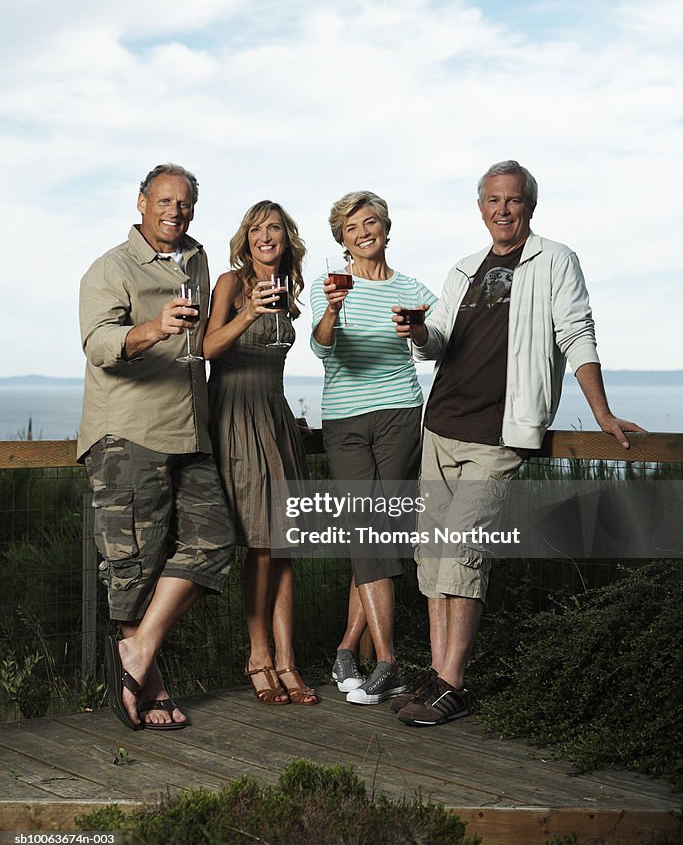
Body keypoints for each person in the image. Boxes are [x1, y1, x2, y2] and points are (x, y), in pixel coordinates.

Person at [391, 160, 644, 727]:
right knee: (432, 555)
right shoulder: (463, 268)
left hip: (500, 433)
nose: (502, 209)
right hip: (442, 424)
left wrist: (600, 411)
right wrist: (417, 332)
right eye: (493, 201)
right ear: (480, 208)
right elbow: (439, 343)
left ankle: (453, 683)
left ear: (529, 206)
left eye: (513, 200)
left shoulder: (555, 260)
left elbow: (575, 331)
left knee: (462, 550)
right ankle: (436, 675)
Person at [78, 163, 236, 731]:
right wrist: (154, 327)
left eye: (186, 202)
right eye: (165, 200)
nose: (176, 211)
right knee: (133, 568)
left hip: (189, 431)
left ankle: (138, 649)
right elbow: (98, 344)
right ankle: (152, 688)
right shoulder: (109, 268)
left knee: (215, 541)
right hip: (128, 434)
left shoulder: (196, 258)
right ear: (142, 202)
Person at [311, 191, 437, 706]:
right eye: (352, 226)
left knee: (380, 532)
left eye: (371, 222)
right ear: (341, 238)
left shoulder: (412, 288)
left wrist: (421, 329)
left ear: (386, 227)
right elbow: (321, 347)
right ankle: (387, 662)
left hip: (401, 416)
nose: (363, 232)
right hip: (344, 420)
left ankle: (350, 651)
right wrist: (334, 313)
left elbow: (432, 346)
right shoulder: (330, 288)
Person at [204, 201, 318, 706]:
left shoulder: (290, 293)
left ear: (286, 239)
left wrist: (286, 413)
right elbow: (207, 348)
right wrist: (248, 310)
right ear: (246, 239)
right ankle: (258, 656)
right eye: (256, 228)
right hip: (233, 415)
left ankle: (288, 660)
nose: (264, 235)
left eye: (273, 228)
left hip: (274, 417)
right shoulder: (232, 284)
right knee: (262, 541)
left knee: (285, 543)